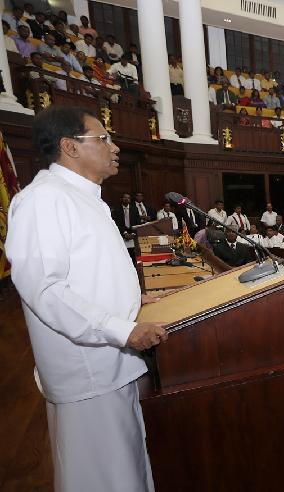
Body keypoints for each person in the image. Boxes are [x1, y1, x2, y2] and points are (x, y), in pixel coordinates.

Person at [8, 102, 165, 492]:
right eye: (103, 138)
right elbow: (46, 289)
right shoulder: (44, 200)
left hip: (110, 358)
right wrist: (122, 330)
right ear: (70, 146)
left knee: (124, 466)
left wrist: (136, 304)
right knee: (101, 475)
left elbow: (92, 275)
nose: (114, 148)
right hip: (89, 368)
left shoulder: (82, 197)